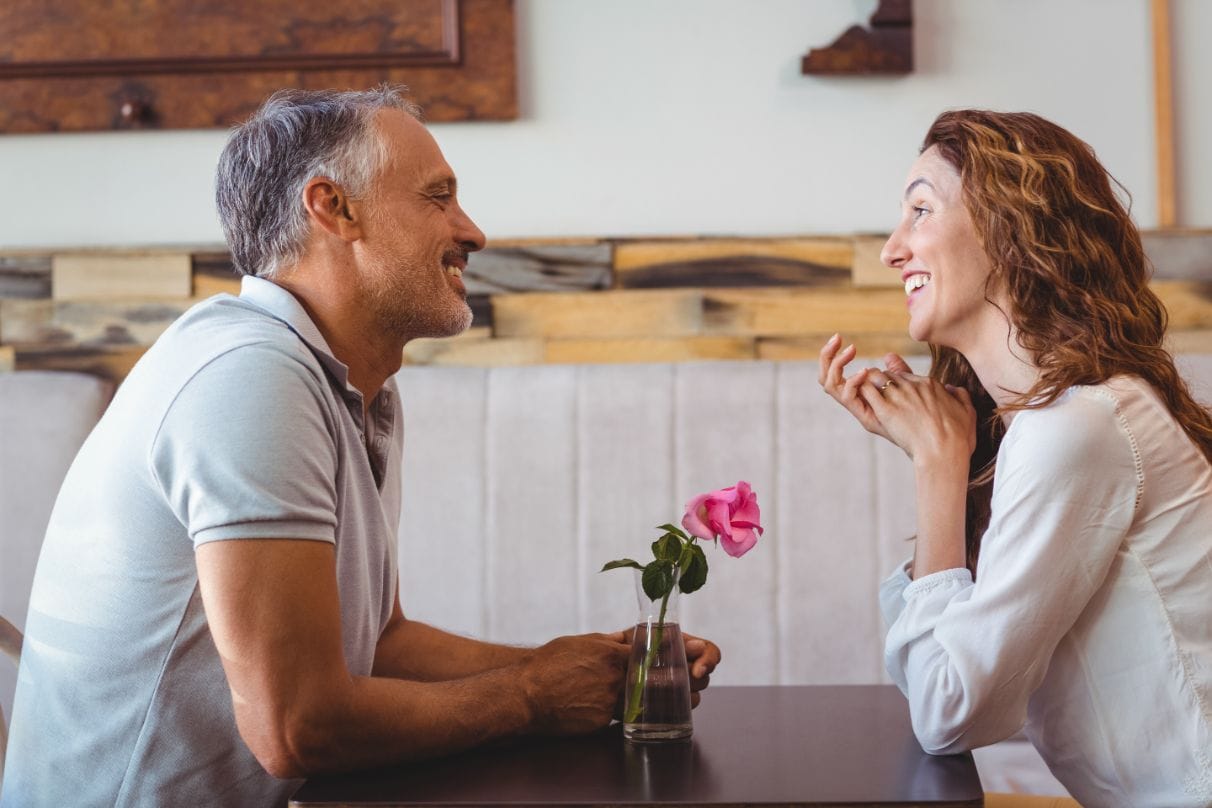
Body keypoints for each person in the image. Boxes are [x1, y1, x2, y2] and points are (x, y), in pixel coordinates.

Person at [0, 87, 720, 808]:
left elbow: (381, 642)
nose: (473, 231)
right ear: (333, 208)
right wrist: (532, 696)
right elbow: (297, 727)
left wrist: (589, 669)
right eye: (438, 197)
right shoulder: (249, 378)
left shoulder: (352, 381)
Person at [820, 109, 1212, 807]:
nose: (891, 250)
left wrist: (938, 471)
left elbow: (952, 716)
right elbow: (932, 677)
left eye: (920, 210)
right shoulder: (1042, 423)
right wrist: (942, 453)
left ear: (1009, 230)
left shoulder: (1076, 428)